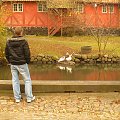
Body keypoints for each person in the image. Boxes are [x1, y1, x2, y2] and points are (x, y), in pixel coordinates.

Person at [5, 27, 35, 103]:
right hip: (22, 63)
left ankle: (17, 98)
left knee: (15, 80)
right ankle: (29, 97)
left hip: (13, 64)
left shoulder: (9, 41)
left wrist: (10, 61)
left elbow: (7, 53)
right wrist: (27, 61)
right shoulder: (24, 41)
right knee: (27, 80)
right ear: (21, 32)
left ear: (14, 32)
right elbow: (27, 53)